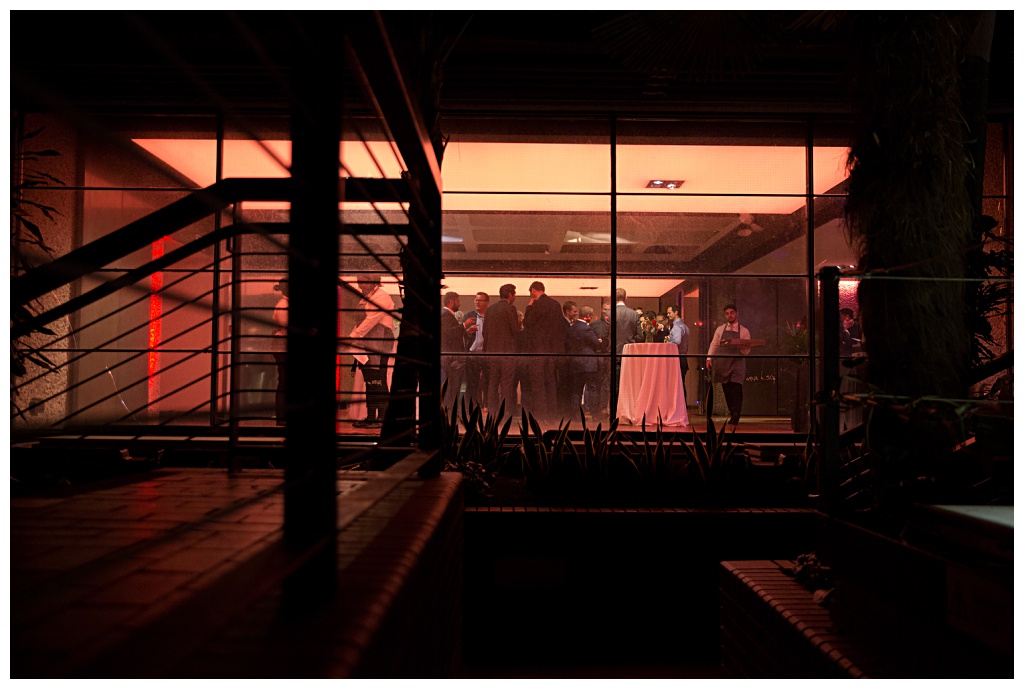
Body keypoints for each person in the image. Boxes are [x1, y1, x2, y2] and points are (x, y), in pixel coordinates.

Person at [347, 275, 395, 429]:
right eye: (359, 282)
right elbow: (360, 322)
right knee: (370, 381)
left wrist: (353, 336)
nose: (360, 285)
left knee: (378, 380)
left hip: (380, 341)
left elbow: (371, 320)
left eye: (363, 282)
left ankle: (382, 417)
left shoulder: (382, 296)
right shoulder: (367, 297)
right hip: (368, 342)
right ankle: (371, 416)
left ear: (373, 281)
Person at [520, 280, 565, 424]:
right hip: (552, 350)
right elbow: (560, 326)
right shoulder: (556, 304)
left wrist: (528, 307)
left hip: (538, 350)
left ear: (533, 290)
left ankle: (540, 414)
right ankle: (552, 414)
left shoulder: (537, 304)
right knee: (550, 382)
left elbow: (527, 323)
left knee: (538, 383)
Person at [706, 303, 751, 425]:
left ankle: (736, 414)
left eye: (732, 313)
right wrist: (709, 358)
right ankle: (732, 412)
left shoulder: (744, 331)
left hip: (737, 363)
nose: (729, 315)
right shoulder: (720, 329)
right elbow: (714, 344)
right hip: (723, 363)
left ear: (736, 314)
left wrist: (743, 347)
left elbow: (747, 351)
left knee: (736, 388)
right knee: (727, 389)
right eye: (727, 313)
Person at [484, 283, 520, 417]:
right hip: (507, 352)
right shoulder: (510, 308)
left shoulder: (490, 309)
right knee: (507, 383)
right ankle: (505, 413)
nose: (515, 296)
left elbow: (485, 332)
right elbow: (515, 331)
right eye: (514, 294)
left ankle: (493, 412)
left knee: (492, 382)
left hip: (492, 352)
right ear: (510, 295)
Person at [562, 300, 600, 419]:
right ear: (588, 316)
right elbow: (595, 344)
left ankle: (576, 415)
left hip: (575, 363)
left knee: (576, 390)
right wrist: (599, 342)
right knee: (592, 388)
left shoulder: (571, 328)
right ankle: (594, 413)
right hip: (588, 363)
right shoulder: (586, 329)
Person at [441, 291, 468, 412]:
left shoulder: (446, 315)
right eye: (458, 301)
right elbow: (449, 333)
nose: (459, 304)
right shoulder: (446, 315)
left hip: (449, 357)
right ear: (451, 301)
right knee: (452, 387)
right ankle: (450, 411)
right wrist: (464, 326)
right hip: (451, 359)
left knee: (453, 386)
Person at [463, 292, 490, 410]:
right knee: (472, 382)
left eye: (480, 300)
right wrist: (468, 331)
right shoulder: (469, 316)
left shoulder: (491, 316)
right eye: (476, 300)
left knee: (488, 382)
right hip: (473, 353)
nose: (477, 303)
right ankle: (472, 407)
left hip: (487, 354)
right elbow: (461, 334)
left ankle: (487, 406)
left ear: (487, 303)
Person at [271, 277, 289, 426]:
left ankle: (283, 416)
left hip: (281, 345)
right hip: (282, 345)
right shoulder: (284, 305)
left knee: (284, 380)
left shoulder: (285, 304)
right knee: (284, 381)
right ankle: (282, 417)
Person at [666, 304, 690, 402]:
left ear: (676, 312)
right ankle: (683, 406)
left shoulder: (677, 326)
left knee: (677, 385)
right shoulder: (684, 326)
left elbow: (676, 342)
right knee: (681, 384)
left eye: (669, 312)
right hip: (683, 358)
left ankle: (679, 406)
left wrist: (667, 343)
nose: (668, 315)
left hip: (678, 358)